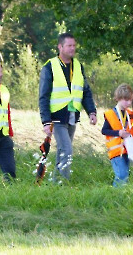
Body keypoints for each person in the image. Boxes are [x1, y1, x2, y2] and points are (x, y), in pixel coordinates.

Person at [39, 33, 97, 182]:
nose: (72, 48)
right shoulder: (50, 66)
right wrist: (45, 121)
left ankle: (56, 182)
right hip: (56, 116)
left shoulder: (78, 66)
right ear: (60, 47)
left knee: (62, 150)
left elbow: (85, 91)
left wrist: (91, 111)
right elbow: (43, 96)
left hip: (72, 115)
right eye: (69, 45)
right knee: (67, 149)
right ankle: (64, 182)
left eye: (74, 45)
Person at [102, 84, 133, 187]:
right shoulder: (111, 114)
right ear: (119, 98)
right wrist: (118, 133)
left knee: (125, 175)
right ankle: (114, 195)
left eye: (130, 100)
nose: (128, 103)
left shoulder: (130, 114)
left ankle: (121, 196)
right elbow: (104, 130)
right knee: (121, 174)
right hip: (116, 151)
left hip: (127, 149)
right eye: (126, 100)